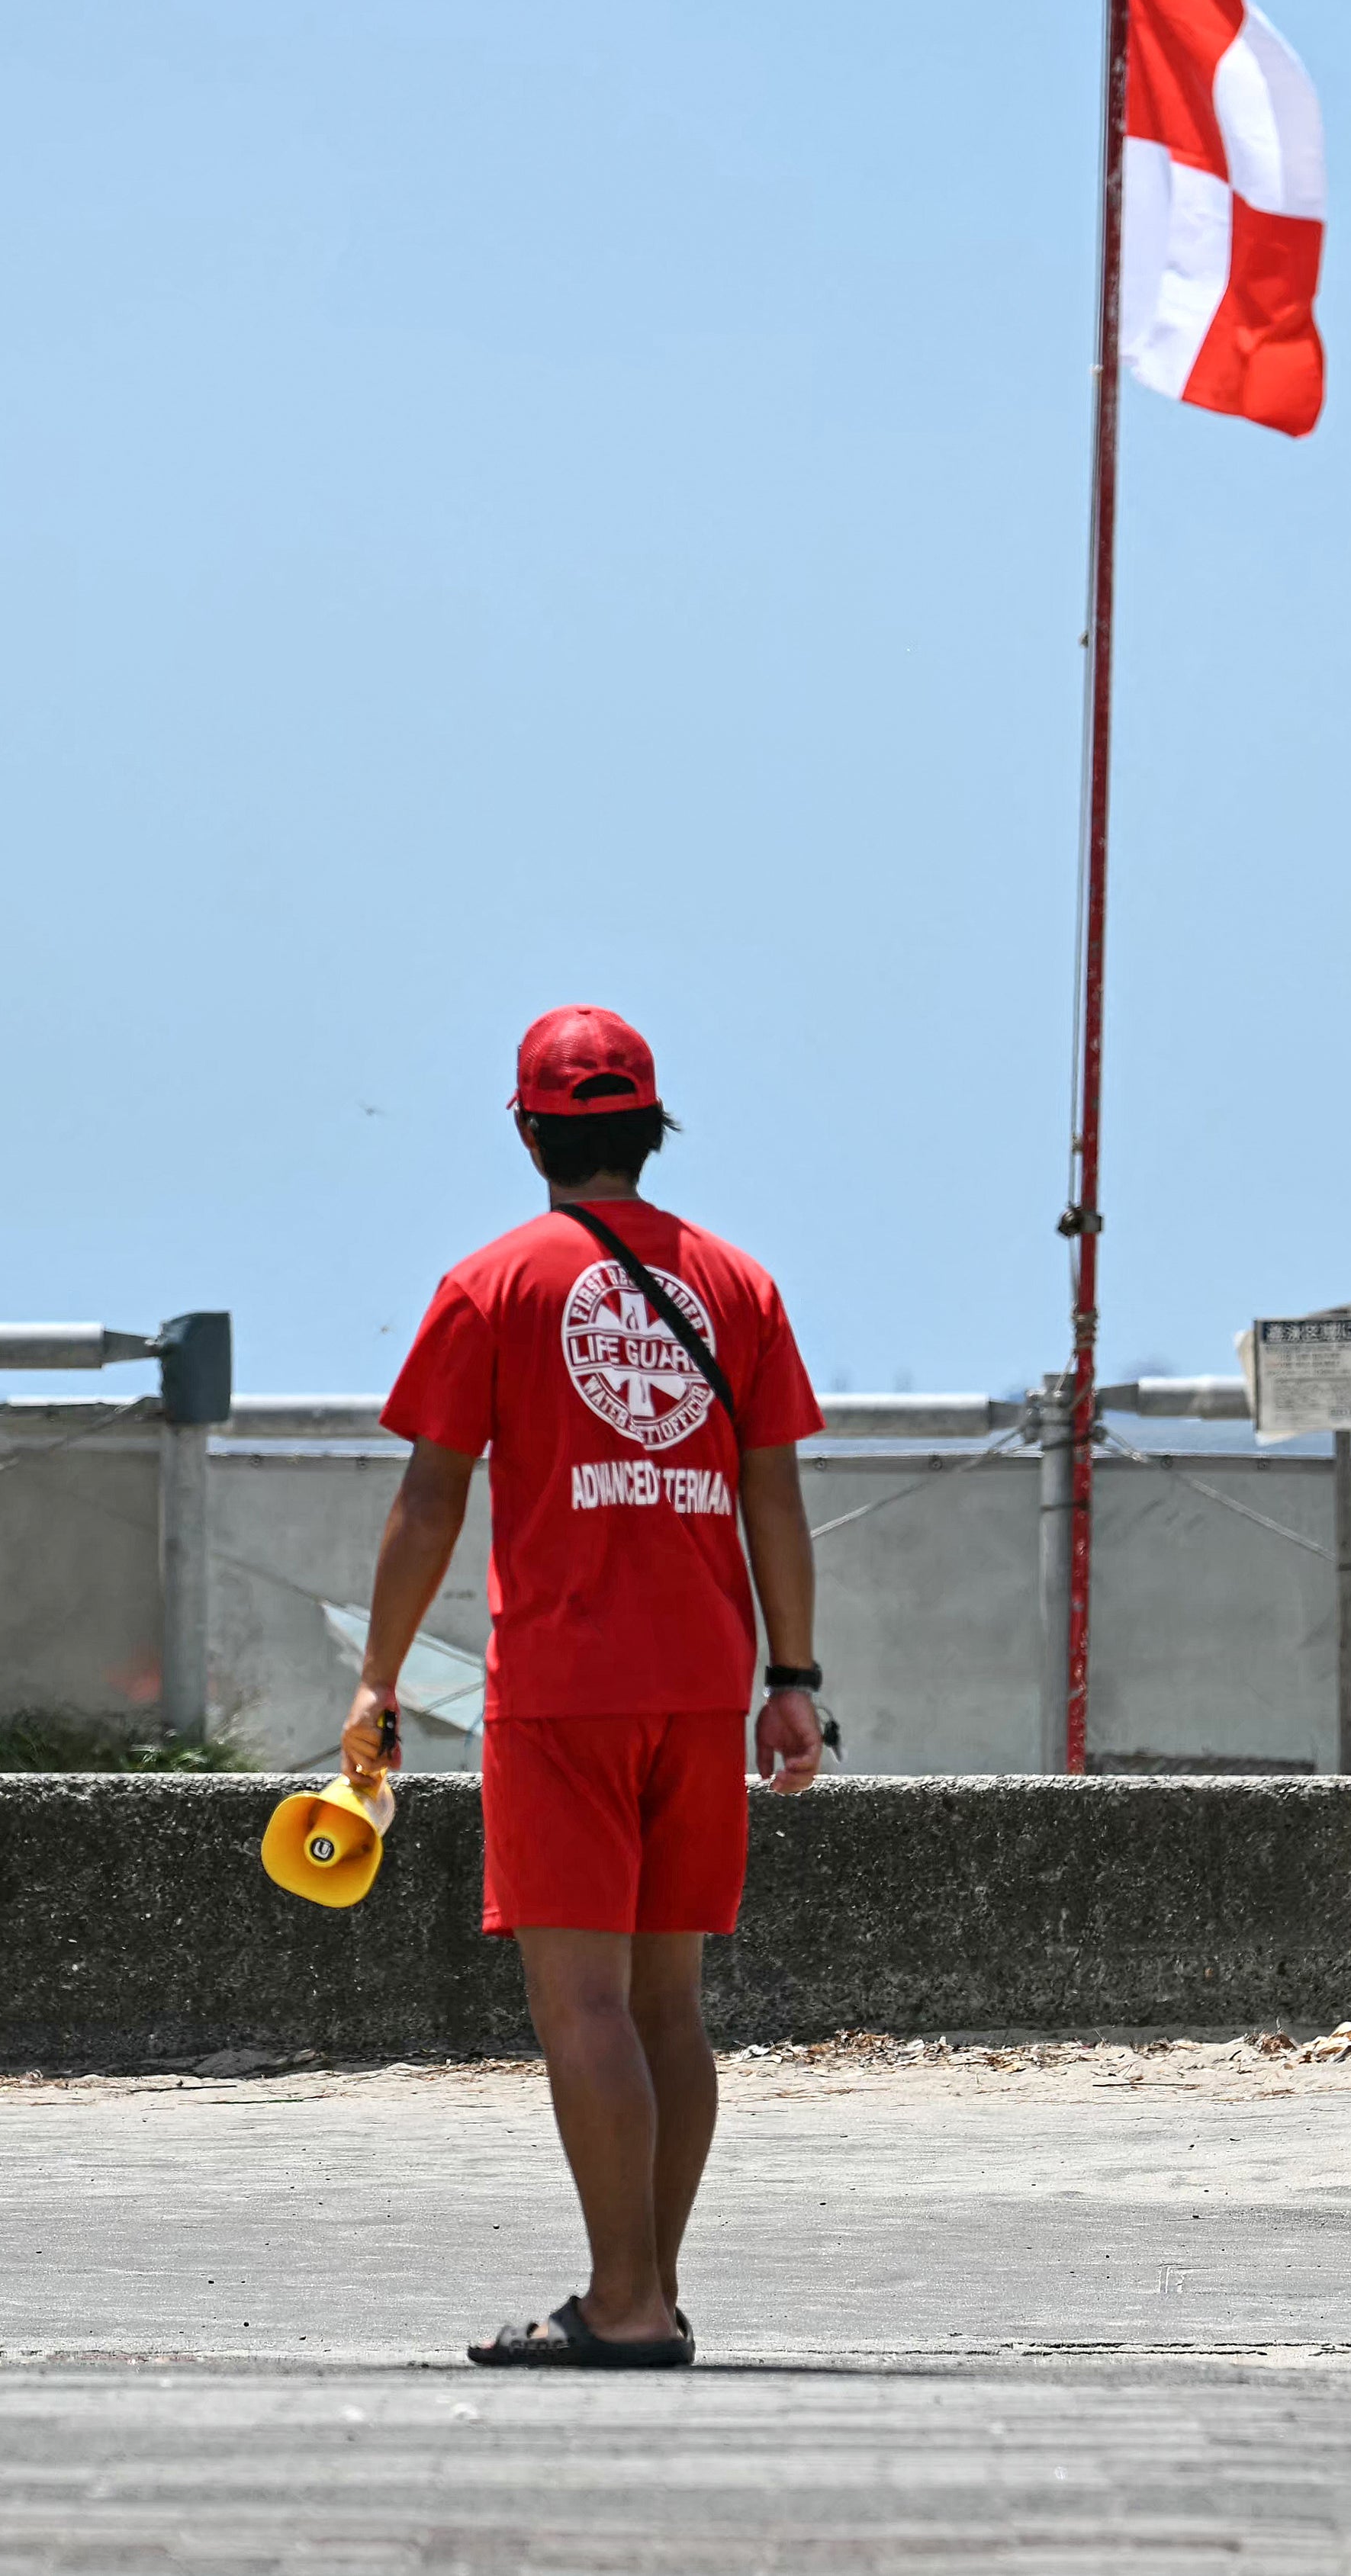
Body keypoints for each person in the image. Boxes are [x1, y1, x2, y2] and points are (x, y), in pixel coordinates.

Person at [351, 1005, 831, 2372]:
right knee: (669, 2007)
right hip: (698, 1679)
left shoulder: (491, 1285)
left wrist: (379, 1679)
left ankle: (623, 2304)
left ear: (528, 1131)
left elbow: (431, 1495)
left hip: (562, 1687)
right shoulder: (738, 1286)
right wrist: (789, 1678)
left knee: (585, 2007)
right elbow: (775, 1492)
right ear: (652, 1124)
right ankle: (650, 2287)